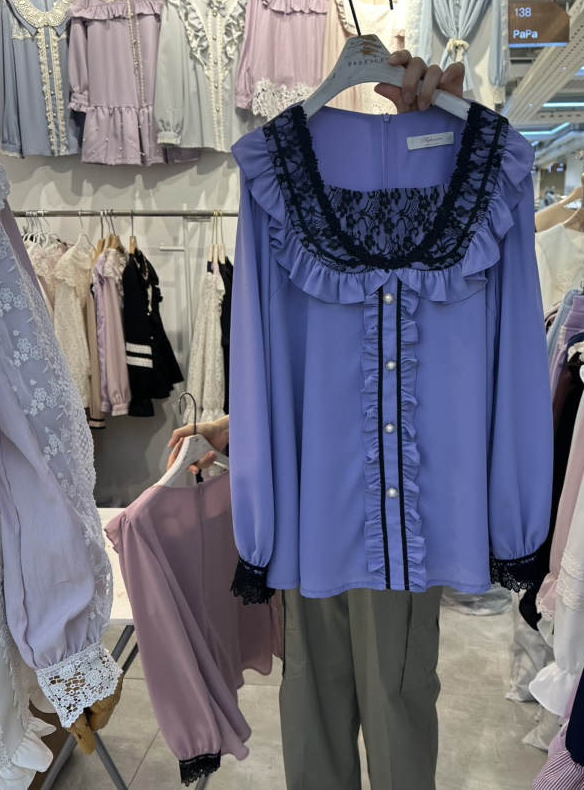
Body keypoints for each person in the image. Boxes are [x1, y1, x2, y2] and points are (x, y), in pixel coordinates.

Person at [168, 51, 466, 790]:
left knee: (385, 713)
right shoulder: (274, 177)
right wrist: (248, 435)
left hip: (393, 520)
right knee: (324, 708)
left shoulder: (474, 182)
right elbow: (270, 348)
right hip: (315, 515)